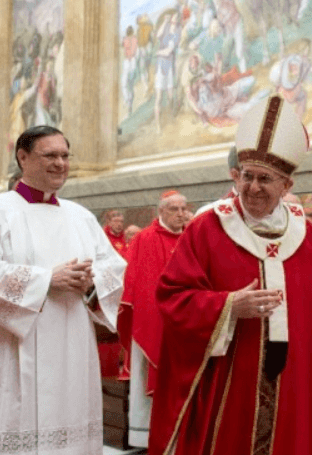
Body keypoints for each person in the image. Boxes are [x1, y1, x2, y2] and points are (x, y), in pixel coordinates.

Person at [149, 95, 312, 455]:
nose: (252, 188)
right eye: (246, 176)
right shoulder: (208, 228)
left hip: (295, 376)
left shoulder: (306, 236)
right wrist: (229, 305)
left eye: (265, 179)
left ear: (286, 186)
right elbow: (172, 296)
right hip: (233, 377)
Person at [0, 125, 126, 455]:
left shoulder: (81, 216)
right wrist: (46, 280)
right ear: (22, 157)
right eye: (50, 155)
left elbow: (114, 271)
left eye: (64, 156)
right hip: (13, 350)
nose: (60, 163)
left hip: (72, 350)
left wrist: (92, 284)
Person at [117, 190, 188, 447]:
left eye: (183, 208)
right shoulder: (144, 239)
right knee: (147, 378)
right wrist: (157, 318)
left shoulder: (191, 238)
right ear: (161, 211)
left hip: (185, 324)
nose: (180, 214)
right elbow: (138, 285)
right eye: (174, 209)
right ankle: (146, 437)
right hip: (153, 323)